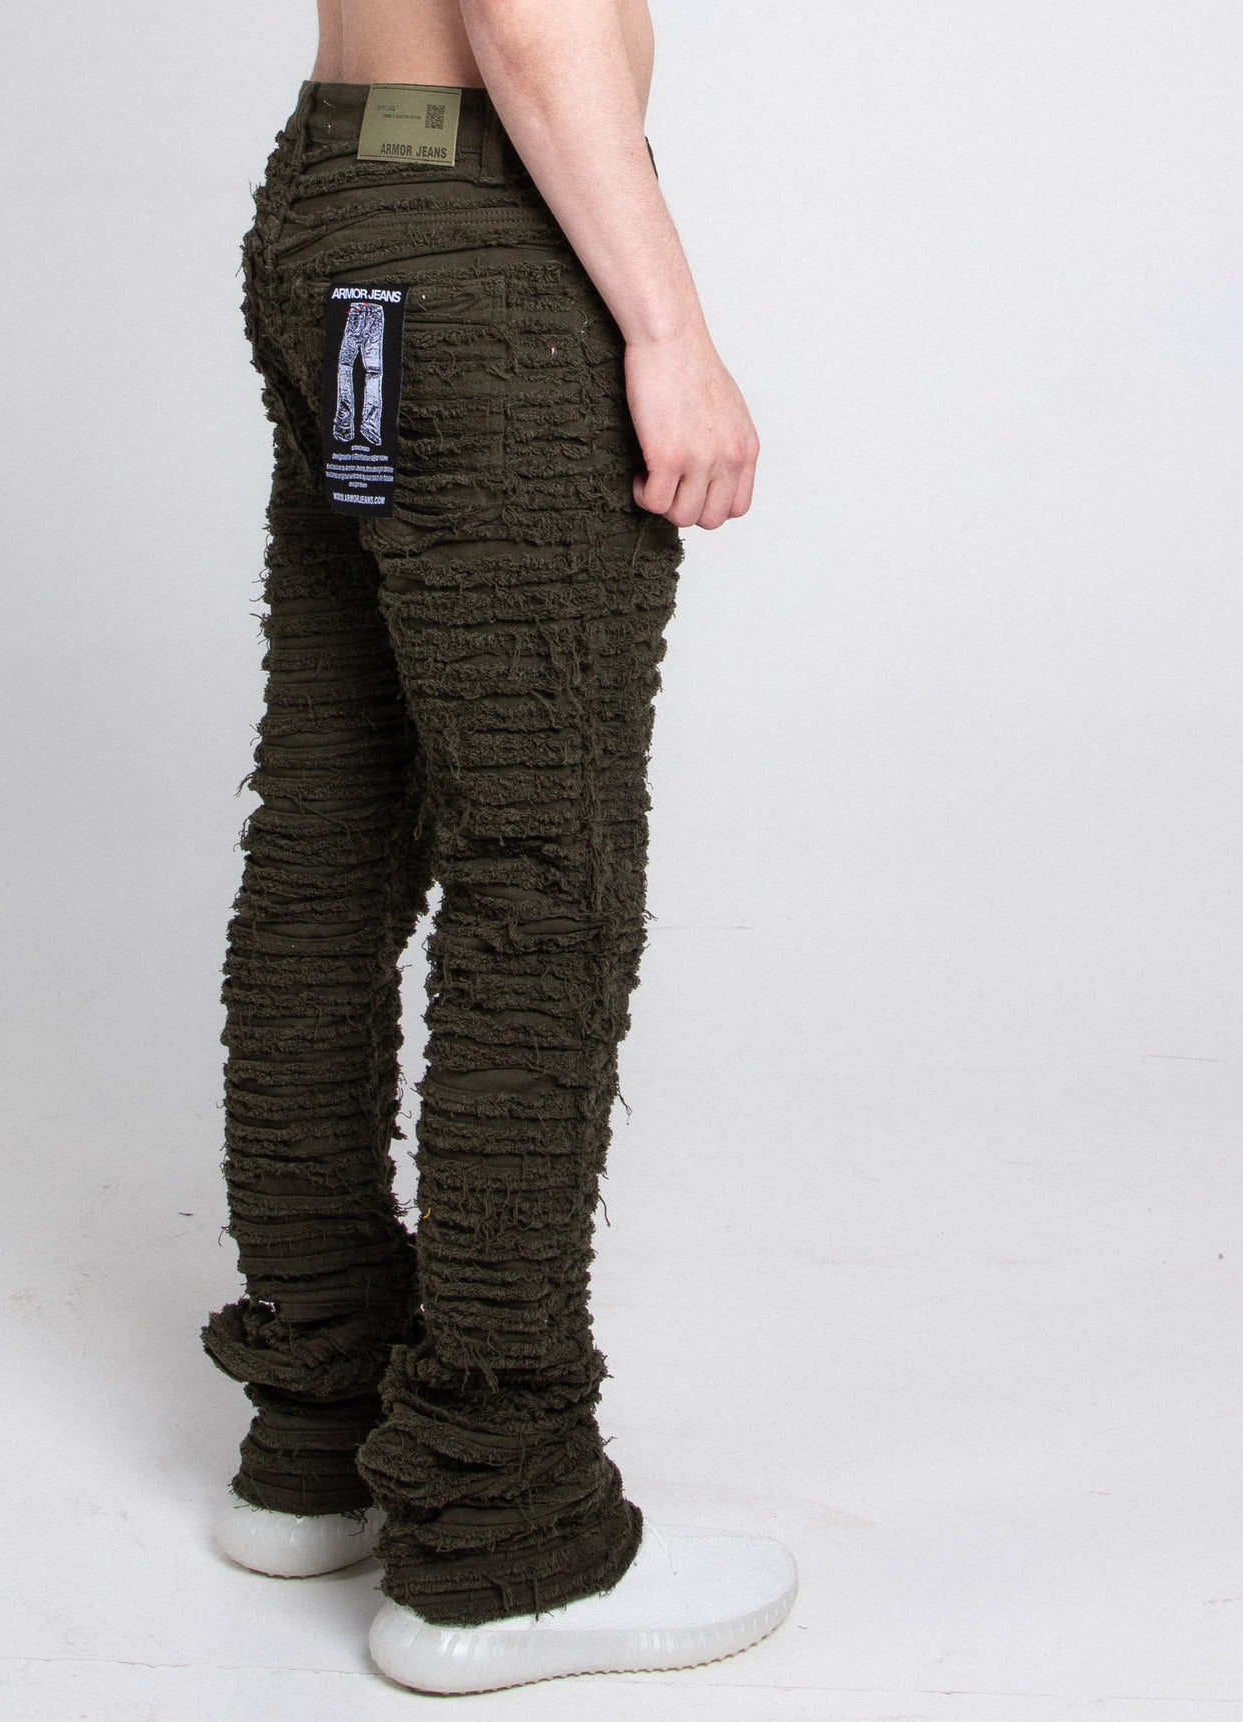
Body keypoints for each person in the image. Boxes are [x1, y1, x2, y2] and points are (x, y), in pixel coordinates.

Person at [199, 0, 797, 1693]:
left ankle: (320, 1427)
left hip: (338, 198)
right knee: (543, 876)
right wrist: (667, 331)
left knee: (328, 843)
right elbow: (526, 22)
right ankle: (499, 1529)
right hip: (480, 232)